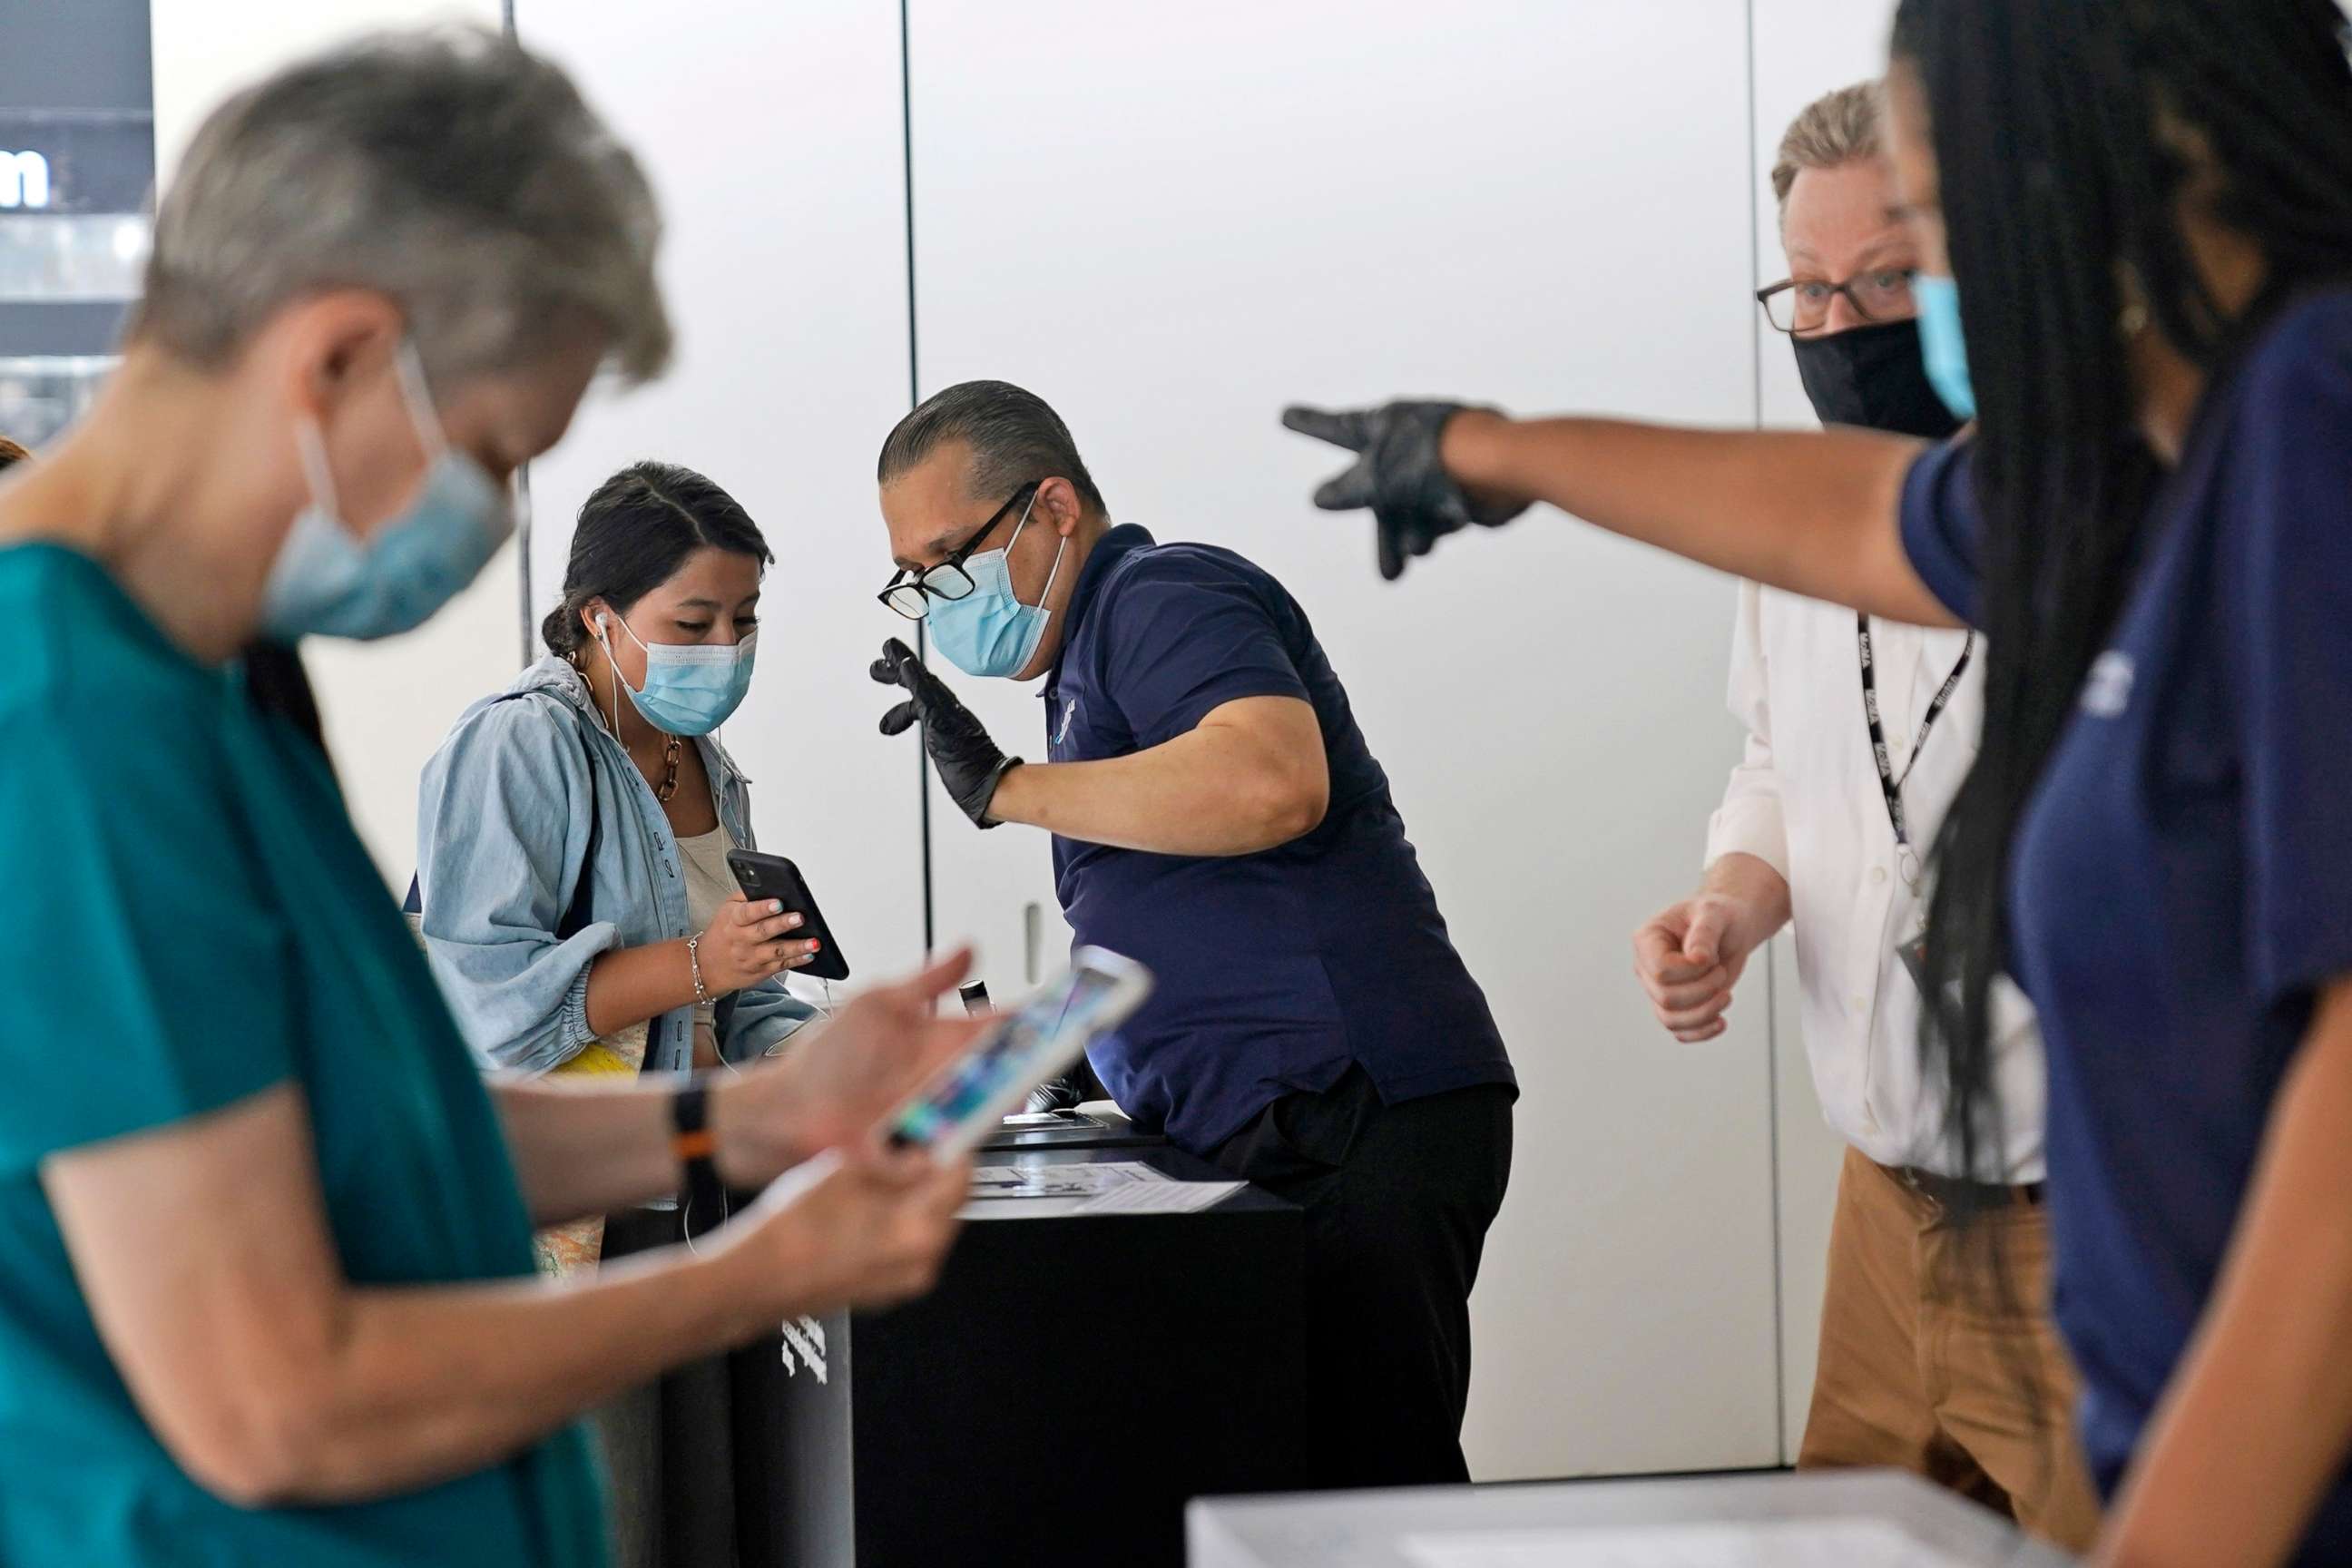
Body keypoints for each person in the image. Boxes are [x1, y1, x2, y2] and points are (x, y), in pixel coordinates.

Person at [1287, 1, 2352, 1561]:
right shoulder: (2136, 468)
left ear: (2079, 169)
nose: (1899, 306)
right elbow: (1862, 522)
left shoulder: (2310, 415)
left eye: (1925, 229)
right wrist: (1490, 450)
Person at [0, 32, 974, 1568]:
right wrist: (753, 1273)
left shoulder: (221, 672)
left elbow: (376, 1125)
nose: (500, 520)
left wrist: (759, 1109)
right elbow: (279, 1404)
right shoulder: (64, 720)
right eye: (492, 452)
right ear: (331, 358)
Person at [867, 379, 1516, 1487]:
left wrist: (1008, 791)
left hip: (1357, 1111)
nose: (939, 599)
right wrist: (1048, 1058)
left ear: (1053, 508)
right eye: (915, 581)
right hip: (1286, 1128)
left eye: (950, 560)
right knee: (1281, 1488)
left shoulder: (1163, 594)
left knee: (1370, 1495)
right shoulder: (1078, 673)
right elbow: (1139, 921)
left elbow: (1271, 783)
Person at [1628, 82, 2094, 1546]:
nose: (1838, 328)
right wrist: (1729, 904)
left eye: (1884, 283)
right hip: (1881, 1213)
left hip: (2073, 1223)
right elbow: (1778, 763)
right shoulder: (1796, 525)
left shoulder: (2114, 518)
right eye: (1807, 293)